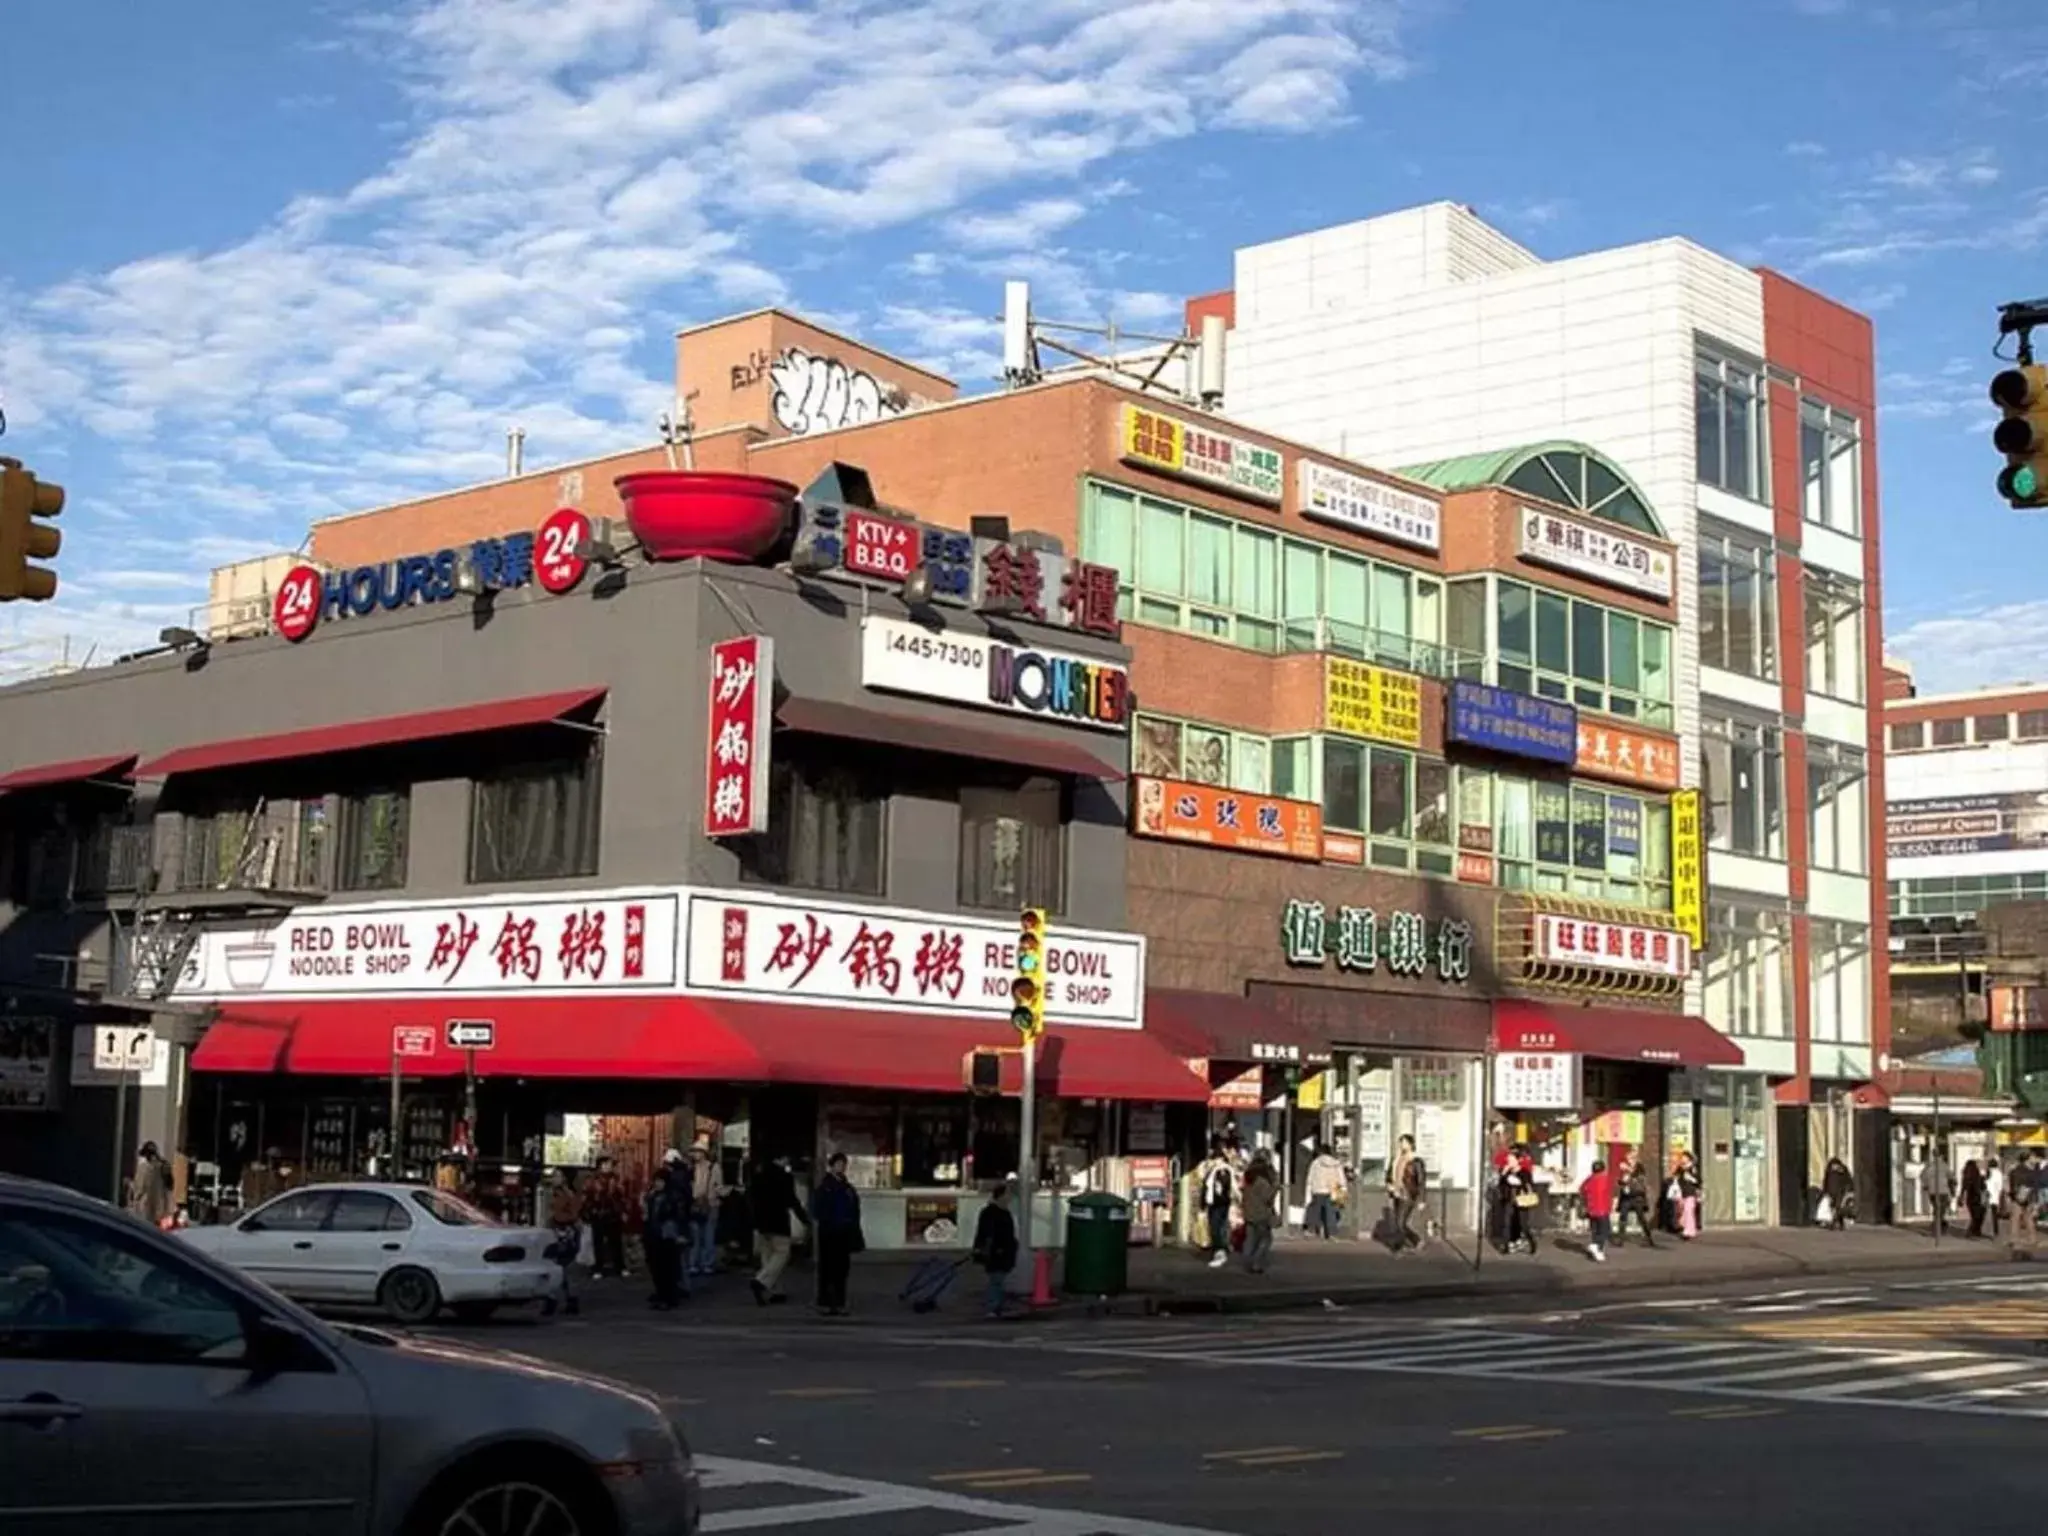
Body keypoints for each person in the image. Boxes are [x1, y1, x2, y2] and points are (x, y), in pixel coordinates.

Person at [749, 1154, 811, 1305]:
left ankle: (775, 1290)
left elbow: (751, 1198)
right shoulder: (785, 1177)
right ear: (781, 1159)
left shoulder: (759, 1176)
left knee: (767, 1255)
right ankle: (761, 1281)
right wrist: (805, 1219)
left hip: (761, 1222)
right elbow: (792, 1200)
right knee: (781, 1254)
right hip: (778, 1221)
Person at [809, 1152, 863, 1317]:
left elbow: (854, 1208)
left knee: (841, 1269)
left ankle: (839, 1301)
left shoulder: (847, 1188)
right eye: (839, 1164)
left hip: (843, 1232)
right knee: (827, 1268)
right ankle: (825, 1301)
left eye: (843, 1164)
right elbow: (817, 1209)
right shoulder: (825, 1187)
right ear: (832, 1166)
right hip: (829, 1232)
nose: (841, 1167)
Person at [643, 1150, 689, 1310]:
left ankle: (669, 1296)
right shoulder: (652, 1196)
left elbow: (680, 1215)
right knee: (656, 1267)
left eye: (660, 1181)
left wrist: (681, 1233)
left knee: (668, 1267)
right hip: (654, 1235)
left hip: (668, 1235)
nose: (658, 1184)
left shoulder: (673, 1196)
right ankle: (661, 1294)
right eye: (656, 1181)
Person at [973, 1179, 1021, 1319]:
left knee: (997, 1280)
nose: (1010, 1198)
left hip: (999, 1252)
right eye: (1008, 1195)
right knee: (996, 1281)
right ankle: (993, 1307)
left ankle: (995, 1306)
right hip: (997, 1253)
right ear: (1001, 1196)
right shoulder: (995, 1213)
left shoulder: (994, 1212)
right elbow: (988, 1234)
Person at [543, 1169, 583, 1317]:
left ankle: (557, 1300)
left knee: (562, 1267)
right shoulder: (556, 1193)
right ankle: (566, 1300)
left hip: (565, 1233)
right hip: (560, 1231)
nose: (553, 1178)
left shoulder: (566, 1194)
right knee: (561, 1268)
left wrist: (556, 1219)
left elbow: (572, 1214)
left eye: (557, 1176)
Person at [583, 1156, 629, 1278]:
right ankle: (599, 1267)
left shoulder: (616, 1179)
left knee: (616, 1242)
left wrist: (623, 1211)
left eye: (610, 1164)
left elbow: (621, 1197)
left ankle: (620, 1266)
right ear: (601, 1165)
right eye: (607, 1164)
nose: (609, 1167)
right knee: (598, 1243)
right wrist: (589, 1212)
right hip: (598, 1215)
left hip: (613, 1215)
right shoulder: (593, 1180)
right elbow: (587, 1197)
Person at [1196, 1138, 1237, 1269]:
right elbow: (1205, 1188)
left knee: (1217, 1228)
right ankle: (1219, 1250)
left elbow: (1223, 1189)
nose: (1213, 1161)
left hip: (1220, 1204)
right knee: (1215, 1228)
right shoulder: (1212, 1171)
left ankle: (1220, 1251)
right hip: (1215, 1203)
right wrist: (1202, 1205)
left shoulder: (1223, 1171)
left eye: (1215, 1159)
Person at [1240, 1155, 1279, 1275]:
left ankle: (1248, 1260)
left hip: (1249, 1213)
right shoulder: (1262, 1182)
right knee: (1266, 1239)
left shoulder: (1248, 1180)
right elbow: (1268, 1198)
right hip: (1261, 1214)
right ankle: (1256, 1263)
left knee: (1250, 1239)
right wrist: (1275, 1189)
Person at [688, 1142, 722, 1277]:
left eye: (698, 1151)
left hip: (710, 1204)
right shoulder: (692, 1168)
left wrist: (713, 1197)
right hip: (696, 1204)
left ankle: (707, 1263)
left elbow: (718, 1186)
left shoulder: (714, 1167)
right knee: (696, 1236)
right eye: (694, 1151)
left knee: (708, 1235)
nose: (695, 1154)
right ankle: (694, 1263)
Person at [1387, 1134, 1425, 1253]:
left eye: (1403, 1142)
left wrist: (1421, 1199)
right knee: (1399, 1222)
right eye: (1400, 1143)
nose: (1401, 1145)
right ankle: (1403, 1244)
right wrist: (1389, 1184)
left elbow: (1421, 1181)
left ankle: (1412, 1241)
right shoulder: (1396, 1159)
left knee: (1400, 1222)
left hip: (1408, 1194)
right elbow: (1389, 1174)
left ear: (1410, 1144)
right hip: (1397, 1193)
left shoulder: (1415, 1161)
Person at [1303, 1143, 1347, 1239]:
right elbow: (1341, 1178)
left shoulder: (1315, 1163)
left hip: (1318, 1189)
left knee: (1315, 1211)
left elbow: (1310, 1178)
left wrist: (1309, 1190)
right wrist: (1343, 1189)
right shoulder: (1336, 1163)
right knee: (1331, 1212)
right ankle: (1332, 1233)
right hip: (1333, 1190)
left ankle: (1311, 1230)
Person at [127, 1141, 172, 1228]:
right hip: (159, 1207)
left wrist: (133, 1199)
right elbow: (169, 1186)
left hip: (145, 1206)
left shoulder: (144, 1167)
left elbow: (139, 1188)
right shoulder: (163, 1166)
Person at [1617, 1152, 1657, 1248]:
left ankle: (1649, 1238)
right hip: (1626, 1196)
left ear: (1635, 1159)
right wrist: (1622, 1182)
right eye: (1627, 1159)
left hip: (1637, 1196)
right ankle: (1621, 1238)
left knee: (1641, 1217)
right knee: (1623, 1216)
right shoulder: (1625, 1169)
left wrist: (1628, 1170)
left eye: (1630, 1159)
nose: (1628, 1161)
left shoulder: (1640, 1167)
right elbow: (1622, 1181)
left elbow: (1639, 1176)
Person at [1581, 1157, 1614, 1263]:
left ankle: (1598, 1253)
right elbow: (1610, 1192)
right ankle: (1597, 1246)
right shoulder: (1606, 1179)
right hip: (1603, 1209)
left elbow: (1582, 1190)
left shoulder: (1589, 1179)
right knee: (1605, 1230)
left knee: (1595, 1231)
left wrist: (1586, 1202)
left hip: (1591, 1209)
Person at [2011, 1151, 2042, 1253]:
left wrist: (2014, 1195)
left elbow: (2013, 1185)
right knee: (2025, 1218)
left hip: (2020, 1197)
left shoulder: (2016, 1170)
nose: (2034, 1159)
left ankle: (2017, 1240)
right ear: (2027, 1159)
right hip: (2026, 1196)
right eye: (2033, 1157)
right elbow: (2035, 1186)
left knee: (2018, 1218)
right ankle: (2031, 1238)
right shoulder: (2030, 1171)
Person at [1922, 1144, 1953, 1236]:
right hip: (1943, 1191)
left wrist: (1926, 1184)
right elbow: (1951, 1177)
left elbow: (1923, 1176)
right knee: (1941, 1211)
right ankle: (1939, 1228)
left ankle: (1938, 1227)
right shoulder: (1944, 1165)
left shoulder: (1929, 1166)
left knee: (1937, 1209)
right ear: (1941, 1155)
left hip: (1933, 1191)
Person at [1672, 1151, 1703, 1240]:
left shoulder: (1693, 1168)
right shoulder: (1680, 1168)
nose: (1683, 1159)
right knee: (1682, 1211)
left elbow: (1699, 1181)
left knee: (1688, 1211)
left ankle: (1687, 1231)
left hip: (1690, 1193)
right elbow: (1675, 1176)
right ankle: (1691, 1229)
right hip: (1681, 1193)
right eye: (1682, 1157)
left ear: (1689, 1159)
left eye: (1684, 1157)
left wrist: (1691, 1178)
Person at [1821, 1155, 1852, 1232]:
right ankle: (1838, 1223)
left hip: (1839, 1192)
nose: (1835, 1167)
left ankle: (1834, 1223)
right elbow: (1826, 1181)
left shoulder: (1840, 1170)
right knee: (1834, 1208)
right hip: (1833, 1192)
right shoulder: (1832, 1171)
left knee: (1837, 1207)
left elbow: (1848, 1180)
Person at [1961, 1157, 1988, 1240]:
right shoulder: (1978, 1176)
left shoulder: (1966, 1177)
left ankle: (1974, 1231)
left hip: (1970, 1198)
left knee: (1974, 1216)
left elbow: (1963, 1188)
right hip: (1979, 1198)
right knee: (1979, 1215)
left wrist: (1961, 1197)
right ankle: (1973, 1231)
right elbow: (1983, 1187)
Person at [1987, 1158, 2007, 1239]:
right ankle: (1995, 1232)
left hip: (1987, 1196)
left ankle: (1987, 1231)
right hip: (1995, 1197)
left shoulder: (1987, 1172)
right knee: (1994, 1216)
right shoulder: (1999, 1173)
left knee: (1987, 1215)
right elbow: (2000, 1187)